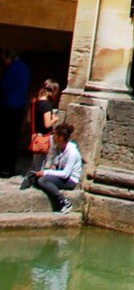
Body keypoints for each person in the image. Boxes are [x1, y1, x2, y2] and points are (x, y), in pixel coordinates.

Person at [28, 123, 82, 213]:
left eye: (55, 135)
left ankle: (64, 202)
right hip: (61, 177)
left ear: (61, 137)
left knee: (43, 180)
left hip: (70, 180)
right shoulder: (59, 148)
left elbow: (65, 174)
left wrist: (45, 173)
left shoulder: (72, 152)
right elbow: (56, 166)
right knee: (36, 179)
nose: (53, 137)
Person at [1, 48, 30, 178]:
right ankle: (11, 167)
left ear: (8, 58)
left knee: (6, 137)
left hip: (9, 106)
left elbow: (4, 86)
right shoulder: (25, 68)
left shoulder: (13, 68)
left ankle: (5, 167)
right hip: (20, 106)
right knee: (14, 137)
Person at [30, 79, 60, 171]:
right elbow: (47, 124)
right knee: (42, 163)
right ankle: (35, 180)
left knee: (36, 162)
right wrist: (54, 119)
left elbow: (29, 119)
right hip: (44, 137)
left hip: (35, 136)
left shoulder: (35, 102)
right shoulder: (46, 105)